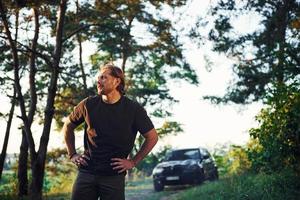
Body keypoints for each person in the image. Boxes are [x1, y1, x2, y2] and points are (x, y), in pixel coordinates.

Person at [62, 63, 158, 200]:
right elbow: (67, 126)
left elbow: (152, 137)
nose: (98, 81)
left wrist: (133, 161)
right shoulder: (88, 104)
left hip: (114, 176)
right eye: (98, 78)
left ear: (117, 81)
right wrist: (72, 154)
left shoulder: (133, 110)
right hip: (87, 172)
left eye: (103, 77)